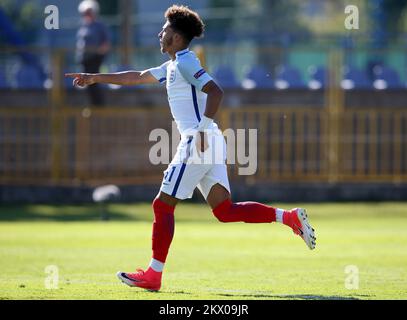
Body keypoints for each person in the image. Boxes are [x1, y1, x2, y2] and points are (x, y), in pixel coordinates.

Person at [66, 5, 316, 292]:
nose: (160, 33)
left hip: (198, 141)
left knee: (162, 205)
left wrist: (199, 130)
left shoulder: (185, 62)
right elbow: (136, 76)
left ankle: (153, 274)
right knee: (224, 210)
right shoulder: (172, 65)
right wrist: (96, 77)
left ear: (176, 35)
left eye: (165, 29)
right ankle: (288, 217)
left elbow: (215, 91)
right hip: (209, 140)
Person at [76, 0, 110, 106]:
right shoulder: (83, 26)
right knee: (85, 83)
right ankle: (91, 105)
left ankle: (98, 106)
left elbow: (106, 43)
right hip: (84, 60)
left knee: (93, 82)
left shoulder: (99, 26)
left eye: (89, 12)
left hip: (94, 59)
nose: (86, 15)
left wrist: (99, 52)